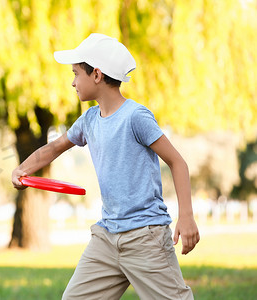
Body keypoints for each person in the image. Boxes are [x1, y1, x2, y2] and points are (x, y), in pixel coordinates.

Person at [11, 33, 200, 299]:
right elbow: (53, 148)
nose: (72, 82)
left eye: (76, 73)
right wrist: (23, 170)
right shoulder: (89, 120)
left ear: (97, 75)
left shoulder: (135, 117)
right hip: (107, 238)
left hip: (145, 238)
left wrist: (187, 216)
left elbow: (177, 162)